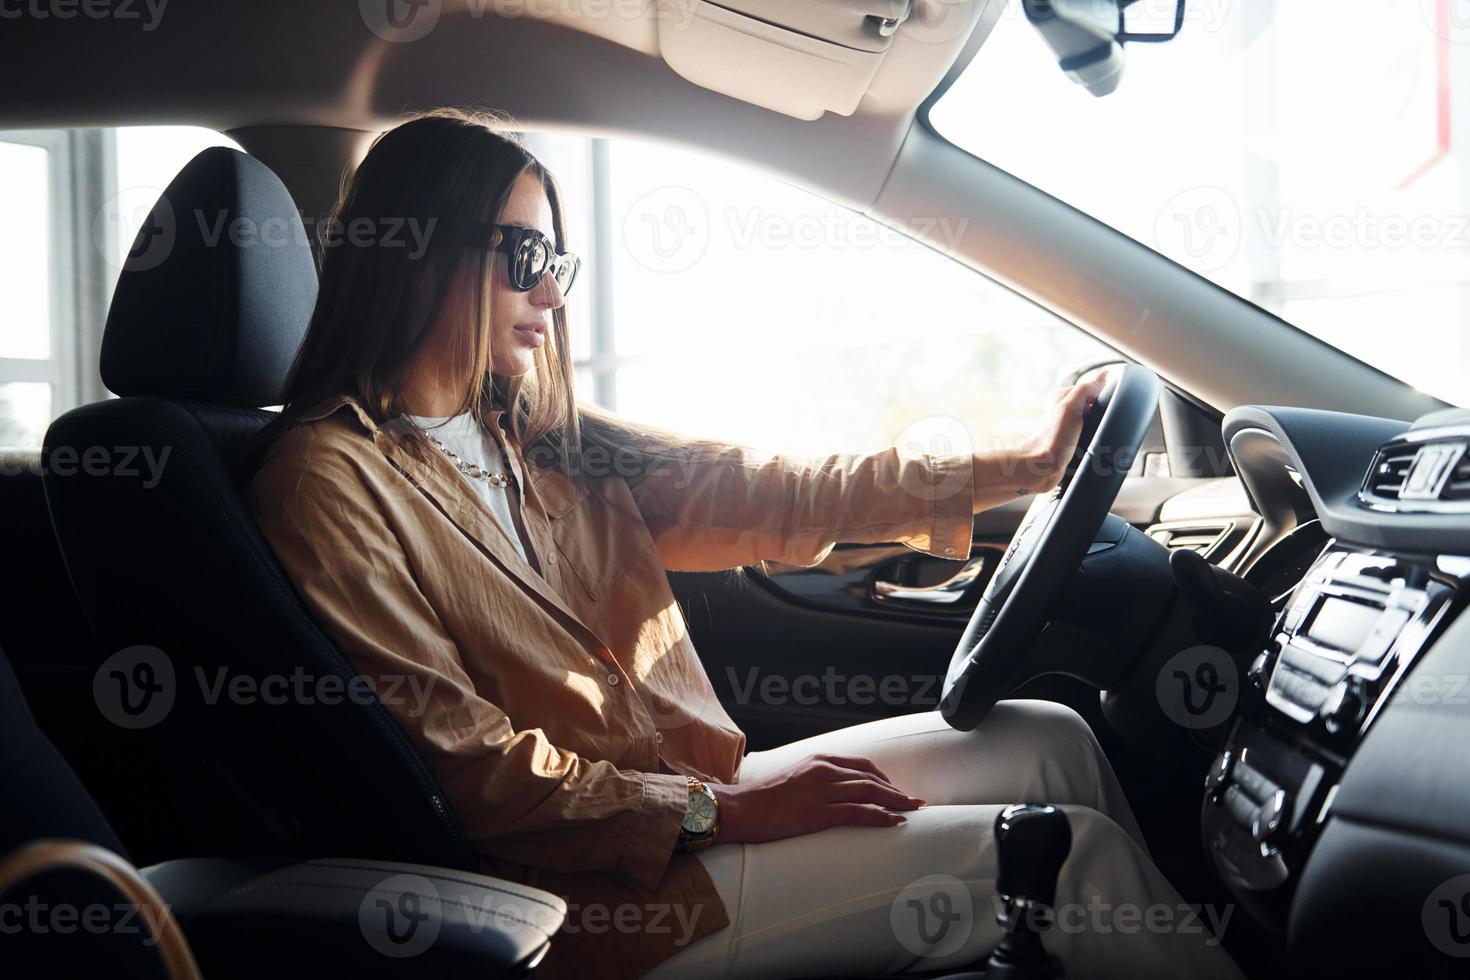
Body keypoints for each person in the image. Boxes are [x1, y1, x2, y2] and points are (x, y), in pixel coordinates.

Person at [242, 107, 1245, 980]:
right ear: (421, 253)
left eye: (558, 262)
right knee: (1065, 856)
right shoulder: (329, 480)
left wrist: (1022, 463)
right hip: (587, 895)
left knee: (1048, 740)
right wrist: (719, 813)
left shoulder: (535, 440)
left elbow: (778, 493)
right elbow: (477, 771)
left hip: (692, 801)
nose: (552, 293)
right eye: (525, 258)